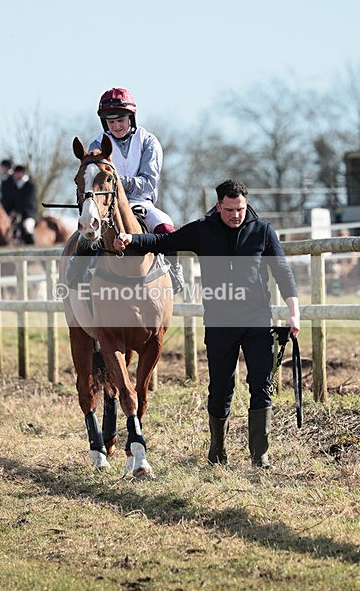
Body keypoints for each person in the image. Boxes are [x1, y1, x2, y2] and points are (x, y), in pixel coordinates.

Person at [114, 179, 300, 468]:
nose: (236, 215)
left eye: (240, 209)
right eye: (230, 210)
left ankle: (260, 456)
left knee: (261, 385)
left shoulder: (262, 231)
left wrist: (294, 311)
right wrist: (131, 239)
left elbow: (282, 270)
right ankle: (217, 451)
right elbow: (164, 242)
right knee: (220, 389)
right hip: (220, 322)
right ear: (218, 206)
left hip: (257, 319)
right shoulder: (203, 230)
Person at [89, 87, 184, 292]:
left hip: (141, 203)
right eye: (111, 122)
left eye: (120, 120)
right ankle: (75, 276)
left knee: (167, 228)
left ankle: (174, 273)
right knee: (84, 235)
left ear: (131, 118)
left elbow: (148, 183)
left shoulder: (149, 141)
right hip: (106, 206)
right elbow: (93, 180)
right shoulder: (96, 145)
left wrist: (115, 181)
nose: (116, 126)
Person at [9, 164, 38, 244]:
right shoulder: (15, 186)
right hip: (18, 215)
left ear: (21, 173)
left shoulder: (30, 186)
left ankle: (32, 246)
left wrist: (16, 211)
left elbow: (27, 202)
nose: (14, 176)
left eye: (15, 173)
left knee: (27, 227)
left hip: (29, 214)